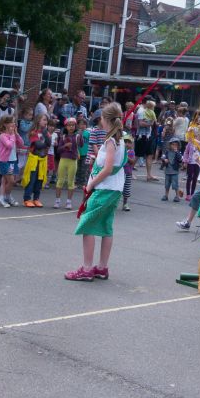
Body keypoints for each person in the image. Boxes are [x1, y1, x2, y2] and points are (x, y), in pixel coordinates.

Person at [67, 102, 127, 281]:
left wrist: (91, 184)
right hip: (114, 188)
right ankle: (102, 267)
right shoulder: (120, 138)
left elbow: (108, 168)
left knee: (88, 225)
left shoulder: (110, 141)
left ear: (104, 119)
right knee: (106, 226)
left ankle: (87, 269)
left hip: (104, 189)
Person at [21, 114, 50, 208]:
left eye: (46, 120)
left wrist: (46, 137)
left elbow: (49, 143)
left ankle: (36, 199)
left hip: (42, 160)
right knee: (31, 179)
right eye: (44, 120)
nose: (46, 122)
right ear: (38, 121)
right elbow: (38, 145)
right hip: (34, 159)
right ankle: (27, 199)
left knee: (39, 180)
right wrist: (46, 142)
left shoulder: (46, 132)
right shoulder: (34, 132)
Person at [54, 117, 80, 209]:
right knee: (60, 180)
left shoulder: (77, 136)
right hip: (63, 160)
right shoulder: (63, 136)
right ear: (66, 127)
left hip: (73, 161)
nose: (71, 127)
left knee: (71, 181)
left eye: (73, 125)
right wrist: (65, 145)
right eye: (69, 125)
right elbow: (58, 150)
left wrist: (80, 136)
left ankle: (69, 202)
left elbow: (81, 144)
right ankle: (57, 200)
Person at [0, 116, 21, 208]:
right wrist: (12, 135)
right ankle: (5, 197)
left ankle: (5, 198)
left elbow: (21, 143)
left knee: (5, 181)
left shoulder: (13, 135)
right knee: (11, 181)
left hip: (12, 161)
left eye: (14, 122)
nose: (14, 124)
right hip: (5, 161)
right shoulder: (2, 135)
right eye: (12, 122)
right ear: (5, 124)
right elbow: (9, 145)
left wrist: (16, 134)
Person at [134, 99, 158, 181]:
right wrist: (150, 124)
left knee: (149, 154)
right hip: (142, 136)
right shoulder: (141, 111)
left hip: (148, 135)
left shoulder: (148, 111)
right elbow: (140, 123)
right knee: (137, 154)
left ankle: (149, 175)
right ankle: (128, 172)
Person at [183, 125, 200, 200]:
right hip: (190, 163)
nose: (196, 137)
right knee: (189, 178)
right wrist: (185, 161)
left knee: (195, 179)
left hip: (198, 164)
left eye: (197, 136)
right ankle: (188, 194)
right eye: (195, 135)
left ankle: (192, 193)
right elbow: (186, 152)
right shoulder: (190, 143)